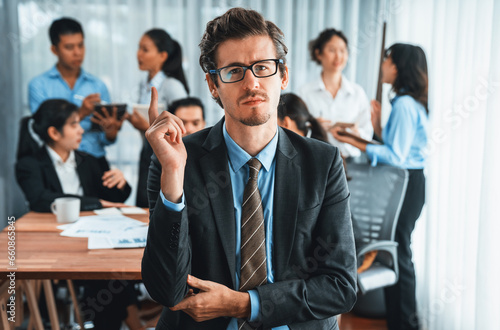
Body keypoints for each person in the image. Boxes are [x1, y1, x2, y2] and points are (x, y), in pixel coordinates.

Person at [142, 8, 357, 330]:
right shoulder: (177, 159)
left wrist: (245, 305)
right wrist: (173, 176)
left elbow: (340, 287)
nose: (251, 82)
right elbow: (166, 290)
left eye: (262, 67)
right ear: (213, 85)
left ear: (283, 75)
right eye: (234, 71)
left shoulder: (322, 163)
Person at [333, 43, 429, 330]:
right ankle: (400, 323)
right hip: (410, 183)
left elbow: (396, 157)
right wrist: (377, 129)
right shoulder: (408, 102)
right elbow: (396, 147)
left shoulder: (403, 104)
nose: (382, 65)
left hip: (405, 184)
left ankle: (405, 325)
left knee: (399, 255)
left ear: (398, 66)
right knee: (398, 254)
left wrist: (351, 140)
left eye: (386, 59)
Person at [28, 17, 124, 166]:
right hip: (57, 163)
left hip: (94, 161)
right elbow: (43, 130)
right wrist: (80, 113)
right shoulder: (39, 85)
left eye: (81, 45)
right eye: (69, 47)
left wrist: (111, 132)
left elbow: (106, 140)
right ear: (54, 49)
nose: (77, 52)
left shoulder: (98, 85)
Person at [16, 99, 131, 212]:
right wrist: (95, 203)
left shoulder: (89, 160)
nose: (81, 130)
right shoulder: (28, 164)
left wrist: (120, 183)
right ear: (54, 133)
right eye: (74, 125)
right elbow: (40, 200)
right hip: (49, 226)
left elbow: (112, 201)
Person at [127, 28, 189, 208]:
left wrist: (146, 126)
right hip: (147, 153)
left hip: (166, 158)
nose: (139, 54)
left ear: (162, 55)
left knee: (160, 208)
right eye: (138, 48)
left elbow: (185, 128)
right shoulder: (143, 85)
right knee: (144, 206)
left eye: (145, 49)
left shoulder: (172, 86)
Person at [298, 28, 372, 158]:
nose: (338, 56)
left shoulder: (357, 93)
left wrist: (355, 133)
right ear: (318, 54)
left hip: (351, 163)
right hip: (316, 160)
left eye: (342, 51)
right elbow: (295, 131)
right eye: (332, 50)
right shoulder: (305, 92)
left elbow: (368, 133)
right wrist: (314, 127)